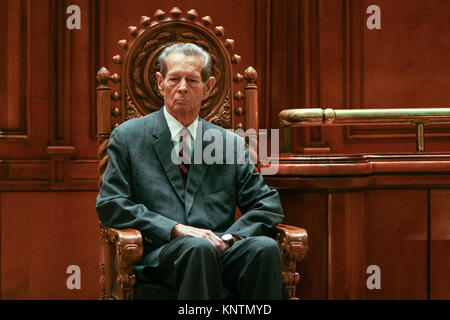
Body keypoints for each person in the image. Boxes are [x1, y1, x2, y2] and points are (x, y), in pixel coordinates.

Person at [96, 43, 285, 299]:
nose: (182, 87)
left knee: (264, 248)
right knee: (197, 249)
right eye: (174, 79)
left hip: (219, 249)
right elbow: (111, 204)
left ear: (209, 87)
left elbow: (267, 205)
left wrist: (230, 238)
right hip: (160, 254)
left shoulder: (228, 143)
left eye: (192, 80)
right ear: (160, 82)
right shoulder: (129, 137)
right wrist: (173, 228)